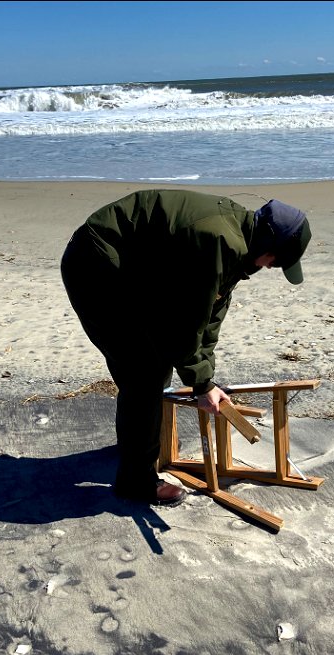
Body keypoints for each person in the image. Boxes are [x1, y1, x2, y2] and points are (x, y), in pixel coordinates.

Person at [60, 189, 312, 507]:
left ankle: (139, 442)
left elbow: (209, 315)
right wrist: (201, 382)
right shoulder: (218, 241)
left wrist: (205, 375)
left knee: (153, 366)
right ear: (269, 247)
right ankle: (136, 481)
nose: (270, 268)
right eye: (275, 262)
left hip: (129, 266)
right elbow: (181, 323)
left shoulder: (239, 241)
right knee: (143, 371)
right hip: (98, 265)